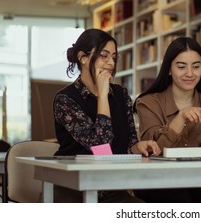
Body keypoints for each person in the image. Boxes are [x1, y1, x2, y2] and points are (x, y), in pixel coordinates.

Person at [53, 28, 160, 203]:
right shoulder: (65, 99)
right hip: (74, 187)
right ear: (83, 58)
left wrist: (137, 147)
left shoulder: (121, 94)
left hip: (110, 186)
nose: (111, 62)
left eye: (114, 57)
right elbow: (99, 145)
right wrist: (102, 96)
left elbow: (128, 142)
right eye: (104, 56)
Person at [133, 37, 201, 203]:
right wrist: (181, 117)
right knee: (181, 200)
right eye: (181, 66)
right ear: (169, 69)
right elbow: (153, 149)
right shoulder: (147, 103)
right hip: (158, 179)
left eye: (196, 66)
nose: (190, 74)